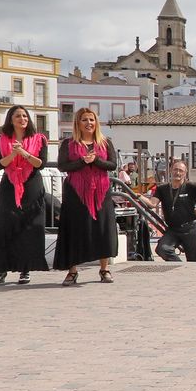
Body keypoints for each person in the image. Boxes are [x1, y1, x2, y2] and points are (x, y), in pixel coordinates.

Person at [54, 108, 120, 285]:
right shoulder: (68, 144)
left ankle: (104, 269)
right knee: (75, 230)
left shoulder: (105, 142)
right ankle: (72, 271)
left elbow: (112, 164)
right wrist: (83, 161)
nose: (88, 123)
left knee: (102, 229)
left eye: (91, 120)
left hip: (101, 192)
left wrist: (96, 161)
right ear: (78, 123)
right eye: (84, 120)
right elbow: (62, 166)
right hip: (75, 193)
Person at [0, 106, 49, 284]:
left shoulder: (39, 139)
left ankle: (25, 269)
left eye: (25, 116)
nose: (22, 119)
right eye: (18, 116)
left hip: (32, 185)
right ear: (11, 119)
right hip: (9, 184)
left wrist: (24, 153)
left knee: (29, 226)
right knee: (5, 226)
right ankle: (1, 269)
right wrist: (13, 153)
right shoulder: (2, 140)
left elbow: (40, 164)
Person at [151, 160, 196, 262]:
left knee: (194, 258)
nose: (177, 173)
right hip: (173, 229)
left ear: (185, 173)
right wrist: (137, 196)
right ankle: (179, 266)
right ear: (170, 170)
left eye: (181, 171)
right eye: (175, 170)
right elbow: (152, 203)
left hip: (190, 227)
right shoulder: (162, 189)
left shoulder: (191, 187)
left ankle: (190, 274)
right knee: (163, 249)